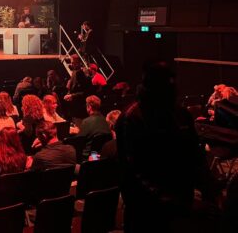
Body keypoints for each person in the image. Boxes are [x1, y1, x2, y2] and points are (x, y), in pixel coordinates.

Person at [116, 61, 217, 232]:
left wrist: (209, 193)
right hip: (146, 213)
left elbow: (196, 157)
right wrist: (177, 203)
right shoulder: (132, 119)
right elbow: (134, 173)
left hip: (181, 205)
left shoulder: (180, 115)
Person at [63, 54, 91, 124]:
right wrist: (69, 92)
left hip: (79, 107)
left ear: (78, 63)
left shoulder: (80, 74)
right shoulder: (74, 72)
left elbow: (85, 92)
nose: (72, 64)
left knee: (79, 125)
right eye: (71, 62)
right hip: (74, 106)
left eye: (73, 63)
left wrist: (72, 96)